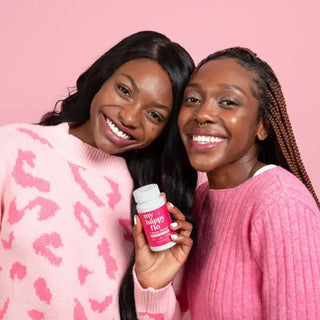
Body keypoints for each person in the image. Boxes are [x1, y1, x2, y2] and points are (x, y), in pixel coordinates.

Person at [0, 31, 197, 319]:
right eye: (125, 91)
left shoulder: (156, 209)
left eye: (154, 115)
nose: (129, 117)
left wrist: (151, 287)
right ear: (103, 77)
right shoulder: (15, 148)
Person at [133, 47, 320, 319]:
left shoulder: (282, 204)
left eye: (228, 102)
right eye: (193, 98)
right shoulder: (201, 199)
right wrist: (154, 284)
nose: (203, 114)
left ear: (263, 125)